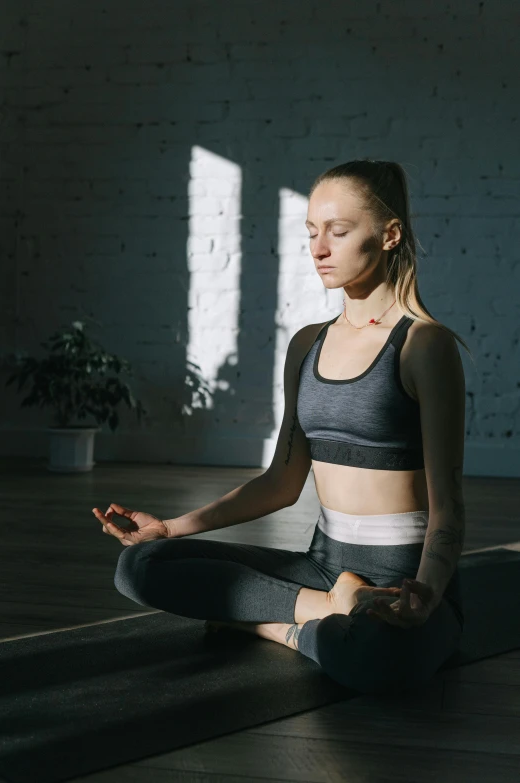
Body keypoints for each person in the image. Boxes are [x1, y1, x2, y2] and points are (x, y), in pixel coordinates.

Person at [92, 159, 473, 696]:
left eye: (338, 233)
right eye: (312, 232)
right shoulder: (306, 345)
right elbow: (281, 482)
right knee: (140, 564)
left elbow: (448, 503)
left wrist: (428, 596)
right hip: (324, 572)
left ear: (389, 235)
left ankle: (271, 624)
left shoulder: (423, 346)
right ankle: (324, 610)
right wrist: (170, 528)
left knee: (378, 658)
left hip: (402, 579)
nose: (319, 248)